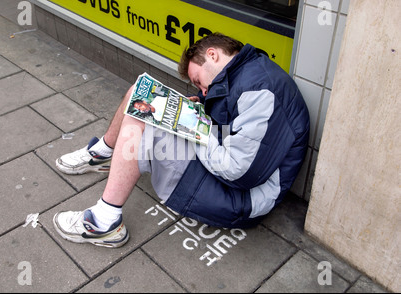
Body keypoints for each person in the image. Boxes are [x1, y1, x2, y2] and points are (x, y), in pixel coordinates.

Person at [53, 33, 310, 248]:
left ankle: (104, 222)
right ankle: (104, 153)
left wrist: (195, 126)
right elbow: (233, 125)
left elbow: (238, 171)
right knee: (139, 93)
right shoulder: (249, 74)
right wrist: (197, 109)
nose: (203, 91)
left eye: (199, 81)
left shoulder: (260, 90)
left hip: (242, 198)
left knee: (142, 115)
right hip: (228, 173)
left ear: (213, 54)